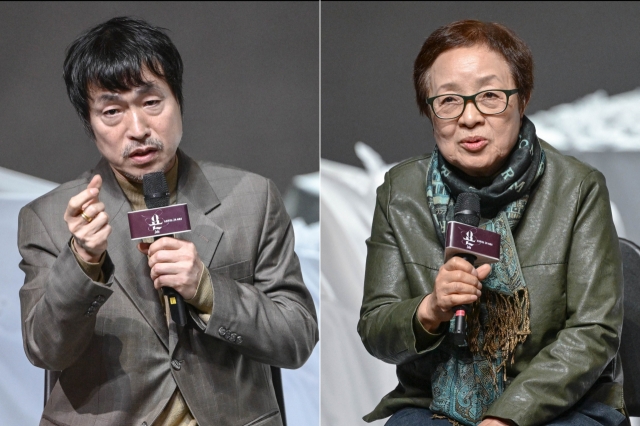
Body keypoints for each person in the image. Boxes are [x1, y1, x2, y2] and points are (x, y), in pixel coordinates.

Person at [18, 17, 318, 426]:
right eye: (111, 111)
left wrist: (208, 290)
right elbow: (46, 351)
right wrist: (83, 260)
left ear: (178, 100)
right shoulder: (50, 218)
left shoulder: (252, 199)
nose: (138, 129)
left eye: (151, 102)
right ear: (90, 125)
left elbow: (296, 339)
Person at [358, 20, 626, 426]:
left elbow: (593, 331)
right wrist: (430, 310)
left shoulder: (578, 187)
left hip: (564, 403)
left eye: (489, 96)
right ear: (429, 111)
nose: (469, 117)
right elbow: (376, 328)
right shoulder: (401, 192)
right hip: (434, 403)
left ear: (523, 99)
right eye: (448, 101)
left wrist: (505, 417)